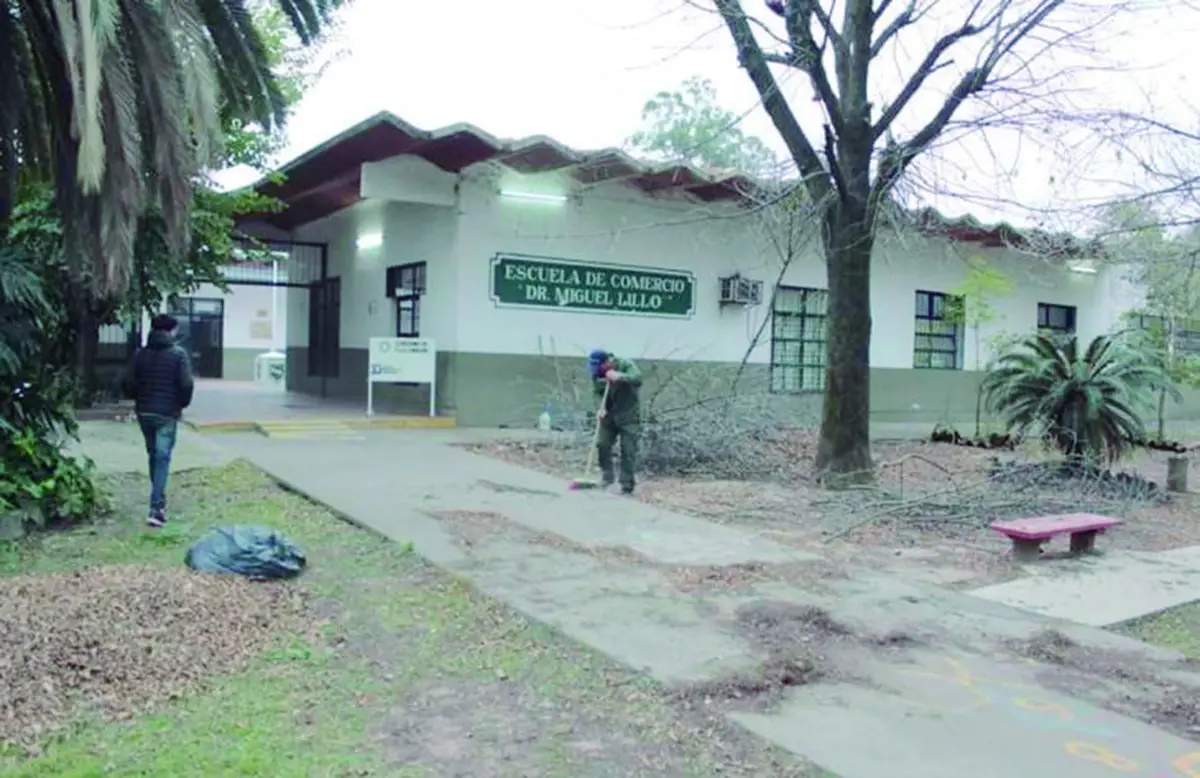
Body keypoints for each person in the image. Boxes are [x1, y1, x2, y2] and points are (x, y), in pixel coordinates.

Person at [122, 313, 195, 527]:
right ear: (171, 331)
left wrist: (139, 398)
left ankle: (158, 498)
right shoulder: (178, 354)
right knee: (162, 457)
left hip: (145, 412)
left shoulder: (140, 354)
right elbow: (186, 384)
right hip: (167, 414)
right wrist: (180, 404)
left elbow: (127, 382)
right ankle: (157, 507)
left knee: (154, 455)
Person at [588, 349, 643, 495]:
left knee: (628, 449)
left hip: (628, 415)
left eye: (598, 367)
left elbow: (638, 378)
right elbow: (597, 393)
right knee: (602, 443)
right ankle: (607, 478)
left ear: (606, 362)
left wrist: (619, 376)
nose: (596, 370)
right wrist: (600, 408)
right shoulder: (596, 373)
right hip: (609, 414)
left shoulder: (625, 364)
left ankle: (627, 485)